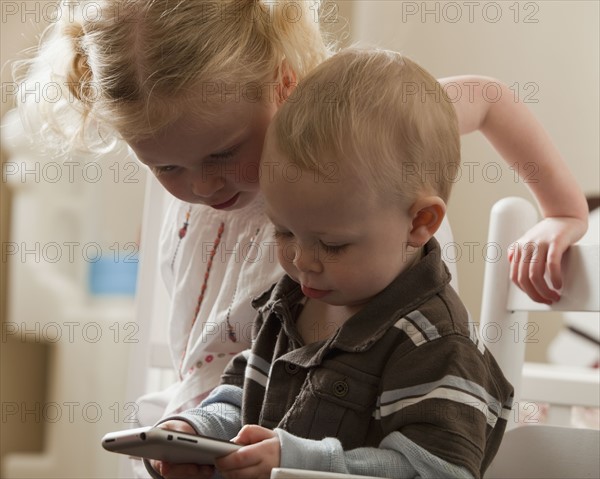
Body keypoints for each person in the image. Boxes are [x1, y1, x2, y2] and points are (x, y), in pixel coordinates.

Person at [14, 1, 585, 475]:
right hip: (236, 419)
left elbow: (486, 96)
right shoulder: (264, 270)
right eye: (166, 167)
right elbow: (240, 371)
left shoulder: (349, 126)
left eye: (223, 153)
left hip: (339, 433)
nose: (202, 184)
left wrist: (562, 210)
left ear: (281, 82)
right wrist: (194, 428)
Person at [146, 48, 514, 479]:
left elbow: (436, 471)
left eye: (332, 245)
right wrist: (196, 430)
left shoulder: (436, 345)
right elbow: (244, 390)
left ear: (419, 222)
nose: (301, 260)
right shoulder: (291, 303)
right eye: (283, 233)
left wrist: (299, 464)